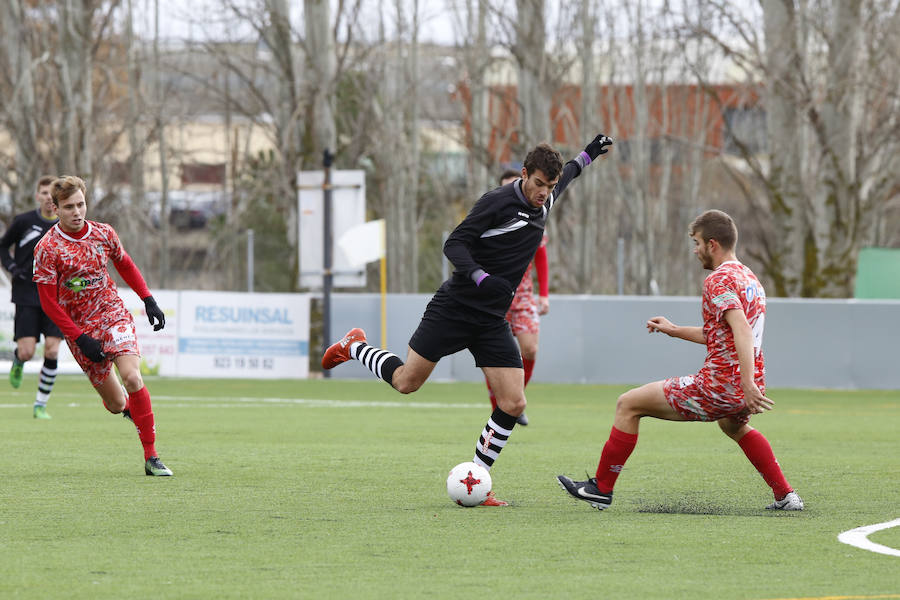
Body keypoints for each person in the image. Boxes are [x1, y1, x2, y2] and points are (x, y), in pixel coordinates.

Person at [323, 135, 613, 505]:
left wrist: (589, 153)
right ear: (524, 175)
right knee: (406, 382)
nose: (544, 193)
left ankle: (477, 479)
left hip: (491, 320)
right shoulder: (496, 202)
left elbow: (570, 173)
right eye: (539, 184)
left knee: (513, 403)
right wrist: (481, 277)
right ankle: (356, 346)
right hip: (456, 307)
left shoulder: (547, 200)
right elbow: (454, 244)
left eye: (549, 187)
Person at [557, 209, 803, 511]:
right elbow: (723, 334)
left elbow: (741, 331)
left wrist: (746, 381)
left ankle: (601, 488)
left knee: (628, 404)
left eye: (697, 243)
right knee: (734, 426)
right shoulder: (750, 279)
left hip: (722, 384)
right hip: (744, 385)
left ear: (713, 244)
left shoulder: (717, 280)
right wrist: (673, 330)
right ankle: (785, 495)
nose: (695, 250)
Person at [33, 176, 173, 476]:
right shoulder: (47, 249)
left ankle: (152, 456)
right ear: (55, 209)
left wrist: (148, 299)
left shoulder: (104, 233)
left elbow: (124, 263)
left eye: (81, 204)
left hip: (111, 312)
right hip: (79, 327)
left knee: (133, 377)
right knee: (115, 403)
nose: (77, 211)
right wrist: (80, 338)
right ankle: (128, 409)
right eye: (68, 207)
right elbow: (49, 303)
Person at [483, 169, 551, 426]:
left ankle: (514, 398)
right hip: (495, 298)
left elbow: (541, 257)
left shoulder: (534, 217)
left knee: (530, 349)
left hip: (522, 297)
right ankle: (500, 411)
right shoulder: (490, 214)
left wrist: (544, 295)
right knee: (492, 358)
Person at [1, 175, 64, 419]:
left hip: (57, 296)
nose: (49, 197)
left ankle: (40, 405)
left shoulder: (65, 225)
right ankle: (18, 361)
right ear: (38, 196)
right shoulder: (23, 221)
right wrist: (13, 268)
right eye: (45, 193)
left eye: (53, 194)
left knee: (51, 351)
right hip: (27, 293)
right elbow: (2, 247)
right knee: (27, 351)